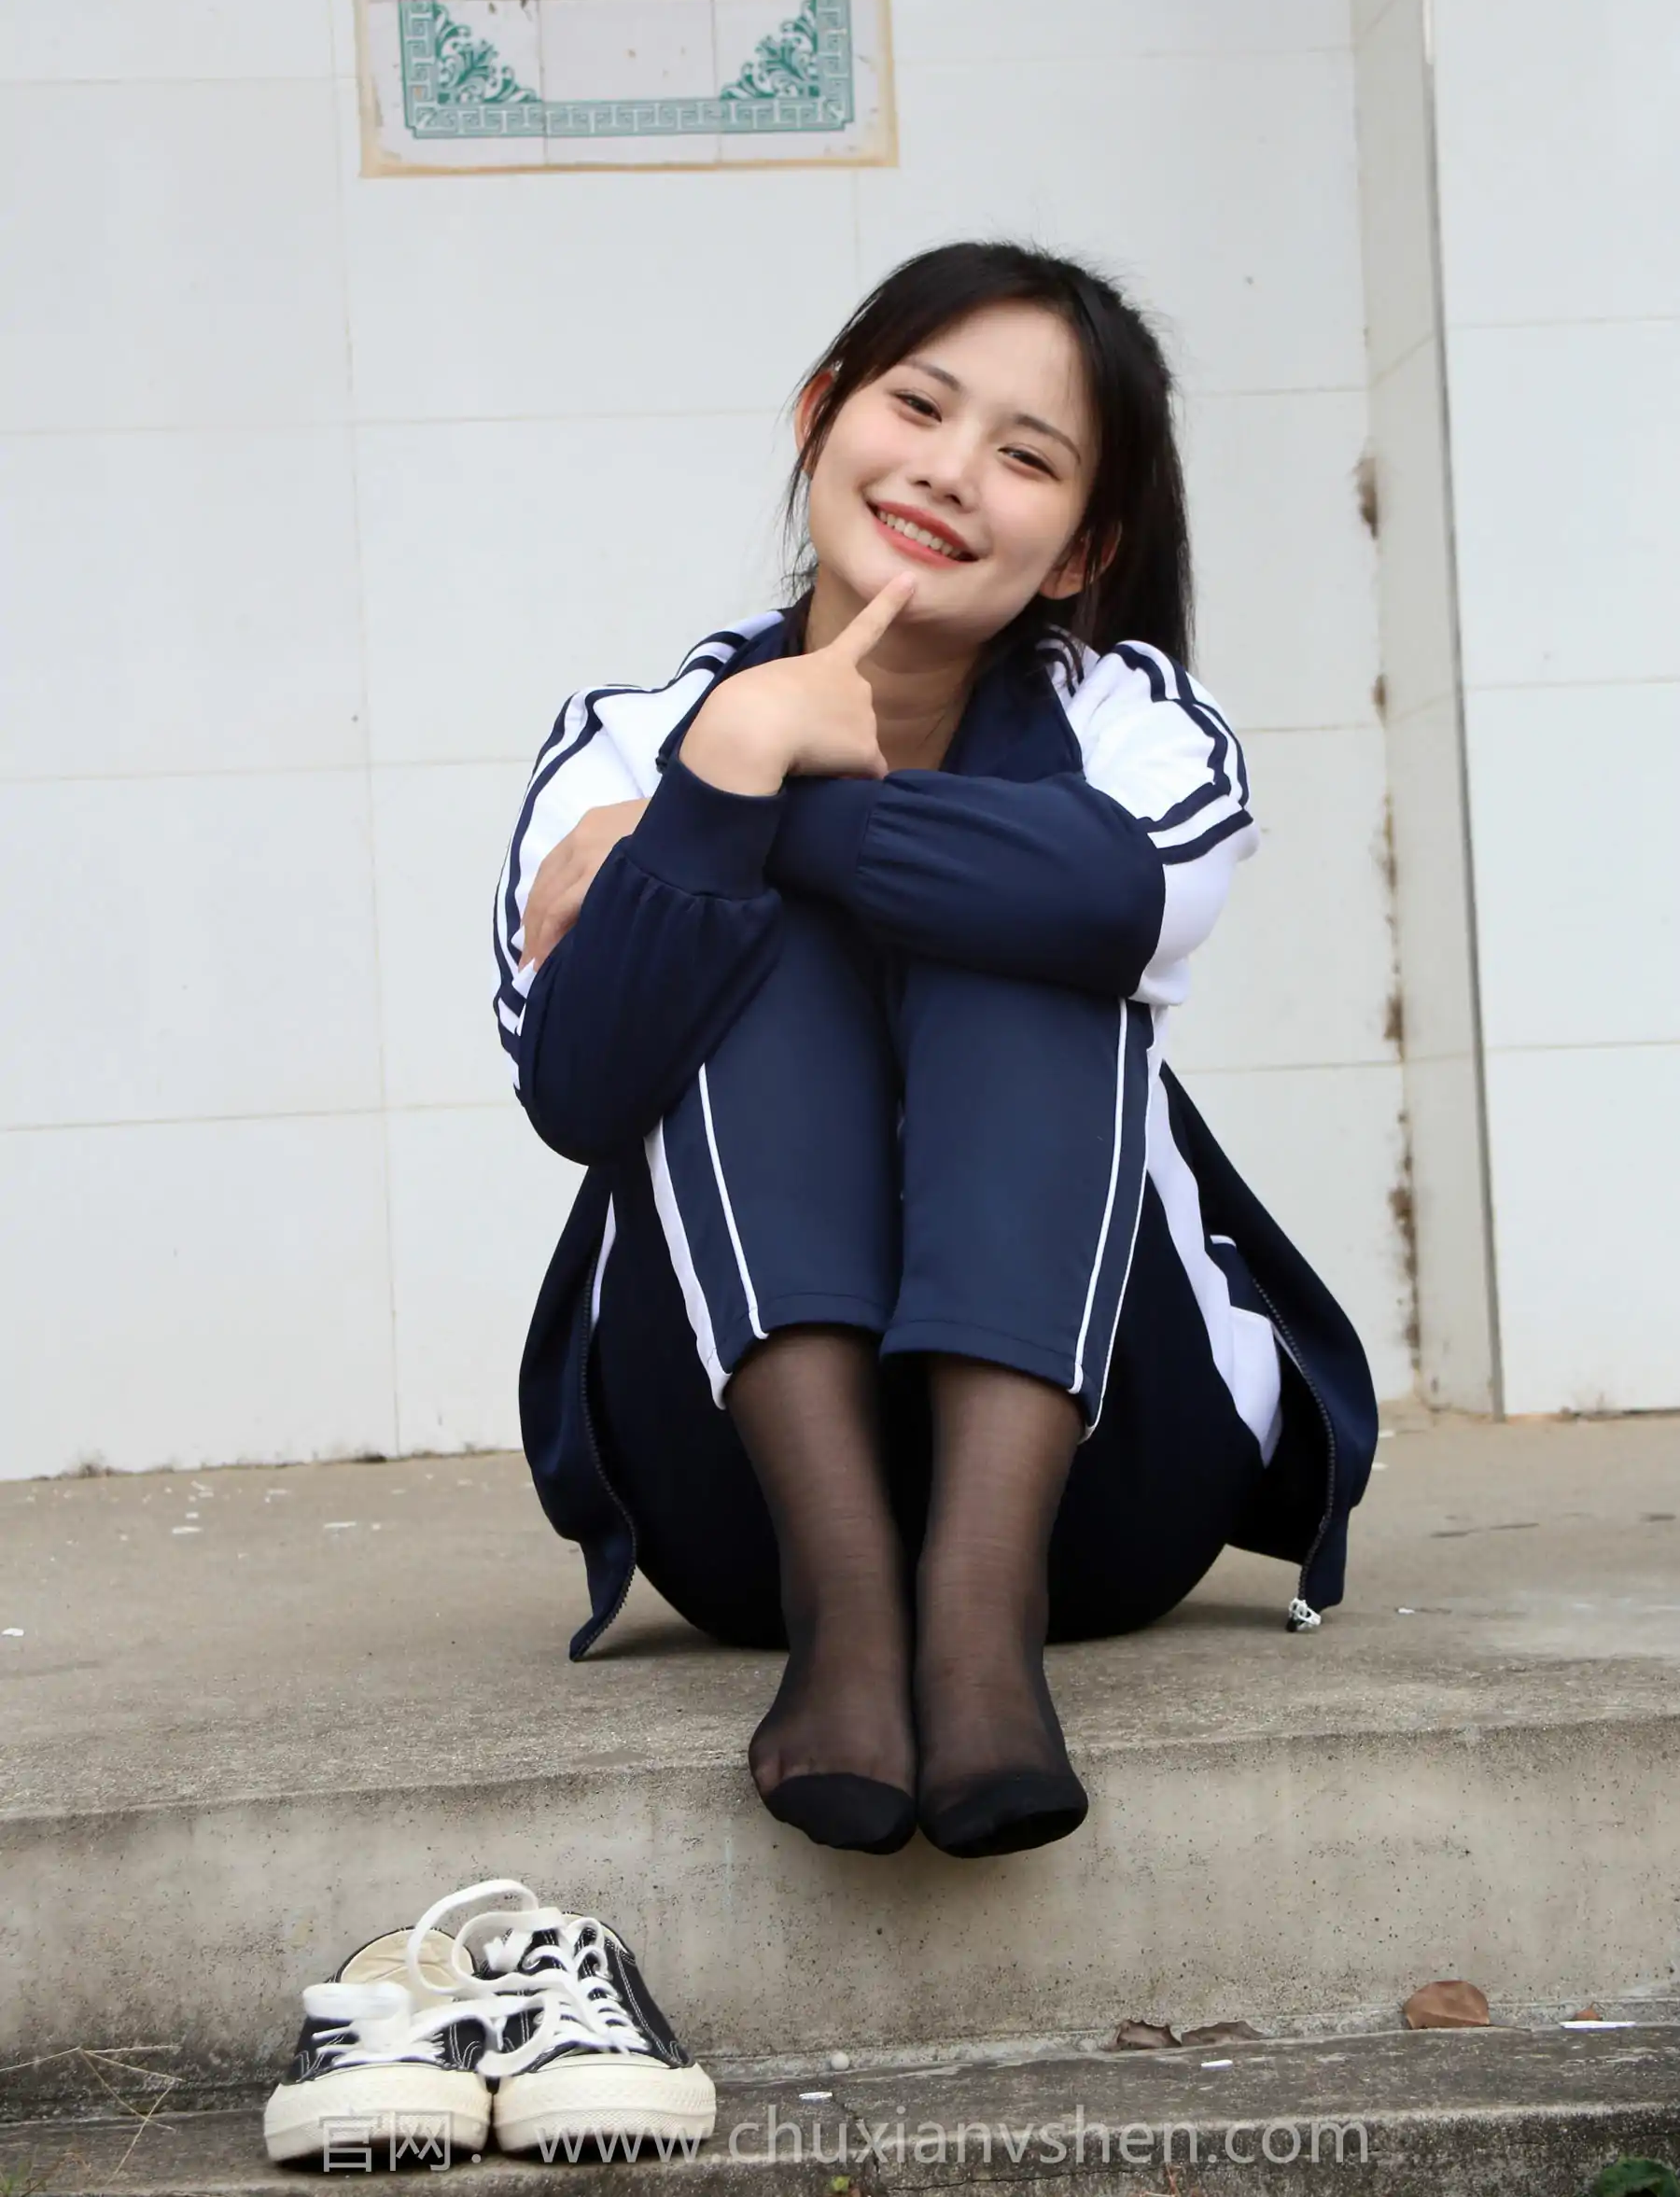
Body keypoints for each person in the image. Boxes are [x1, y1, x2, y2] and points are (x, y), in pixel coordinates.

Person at [493, 241, 1378, 1864]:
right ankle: (847, 1608)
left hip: (1109, 1491)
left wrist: (735, 808)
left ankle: (980, 1618)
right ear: (821, 416)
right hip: (736, 1513)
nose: (952, 471)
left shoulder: (1134, 729)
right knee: (747, 943)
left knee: (1028, 911)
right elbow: (580, 1084)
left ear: (1080, 550)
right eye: (917, 406)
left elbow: (1120, 894)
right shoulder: (624, 739)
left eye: (1026, 456)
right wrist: (721, 759)